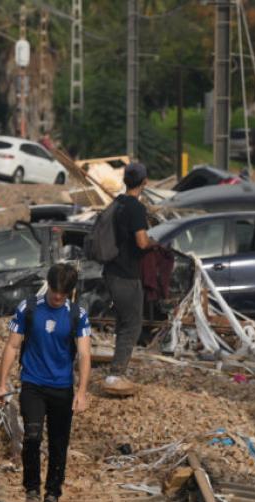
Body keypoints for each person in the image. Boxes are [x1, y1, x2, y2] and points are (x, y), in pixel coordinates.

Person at [0, 264, 91, 502]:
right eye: (54, 290)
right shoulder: (29, 308)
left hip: (62, 387)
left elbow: (83, 353)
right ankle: (32, 492)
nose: (57, 297)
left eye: (63, 293)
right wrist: (2, 384)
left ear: (70, 292)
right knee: (33, 437)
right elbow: (12, 346)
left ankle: (52, 495)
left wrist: (82, 392)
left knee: (59, 443)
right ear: (48, 285)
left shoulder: (77, 315)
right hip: (33, 383)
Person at [104, 162, 155, 395]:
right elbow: (142, 242)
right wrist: (154, 244)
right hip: (127, 275)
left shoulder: (117, 204)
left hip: (111, 272)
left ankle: (117, 369)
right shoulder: (135, 207)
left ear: (125, 180)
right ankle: (116, 375)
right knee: (132, 325)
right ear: (144, 182)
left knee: (123, 322)